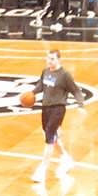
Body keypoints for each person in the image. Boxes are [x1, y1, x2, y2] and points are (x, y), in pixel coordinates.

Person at [31, 48, 80, 184]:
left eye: (52, 59)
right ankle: (66, 158)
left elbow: (75, 90)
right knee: (50, 135)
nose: (49, 61)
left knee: (49, 139)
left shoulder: (65, 75)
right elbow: (41, 86)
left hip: (58, 108)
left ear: (59, 60)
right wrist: (31, 93)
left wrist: (80, 105)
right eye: (48, 58)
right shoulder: (45, 72)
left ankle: (42, 171)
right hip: (45, 108)